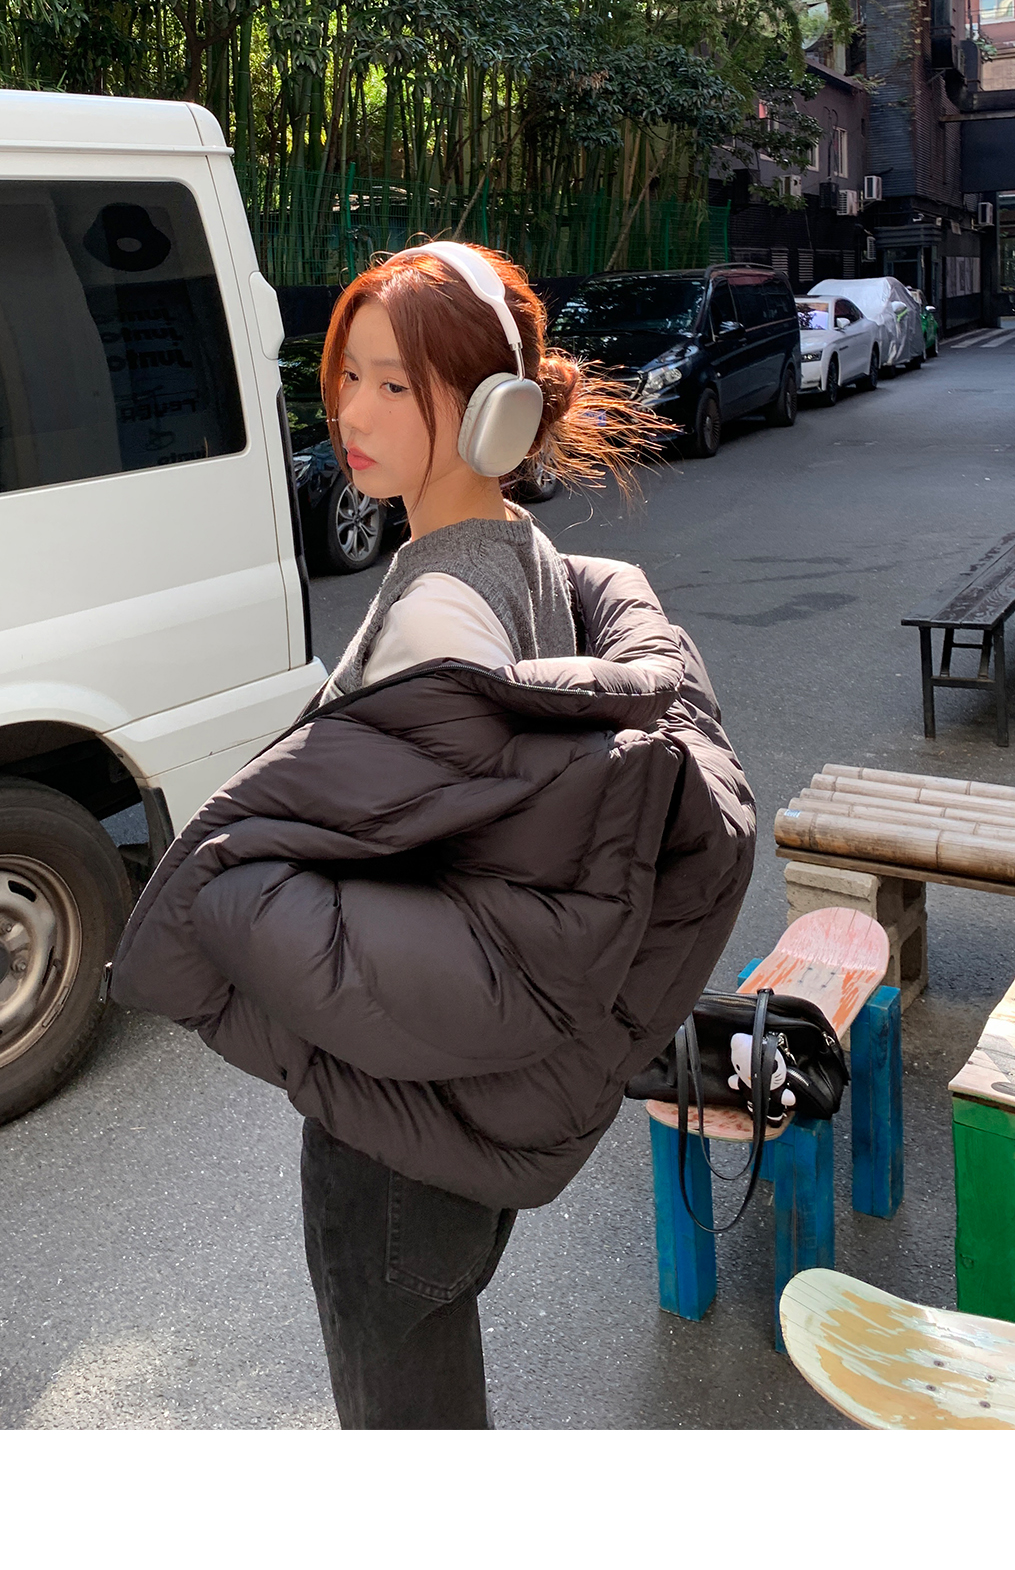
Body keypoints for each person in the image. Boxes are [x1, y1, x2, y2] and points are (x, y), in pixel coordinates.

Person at [110, 244, 755, 1428]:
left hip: (394, 1146)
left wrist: (233, 901)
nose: (352, 413)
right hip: (453, 1130)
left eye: (396, 385)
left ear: (497, 411)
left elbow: (445, 936)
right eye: (348, 376)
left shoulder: (438, 615)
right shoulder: (523, 551)